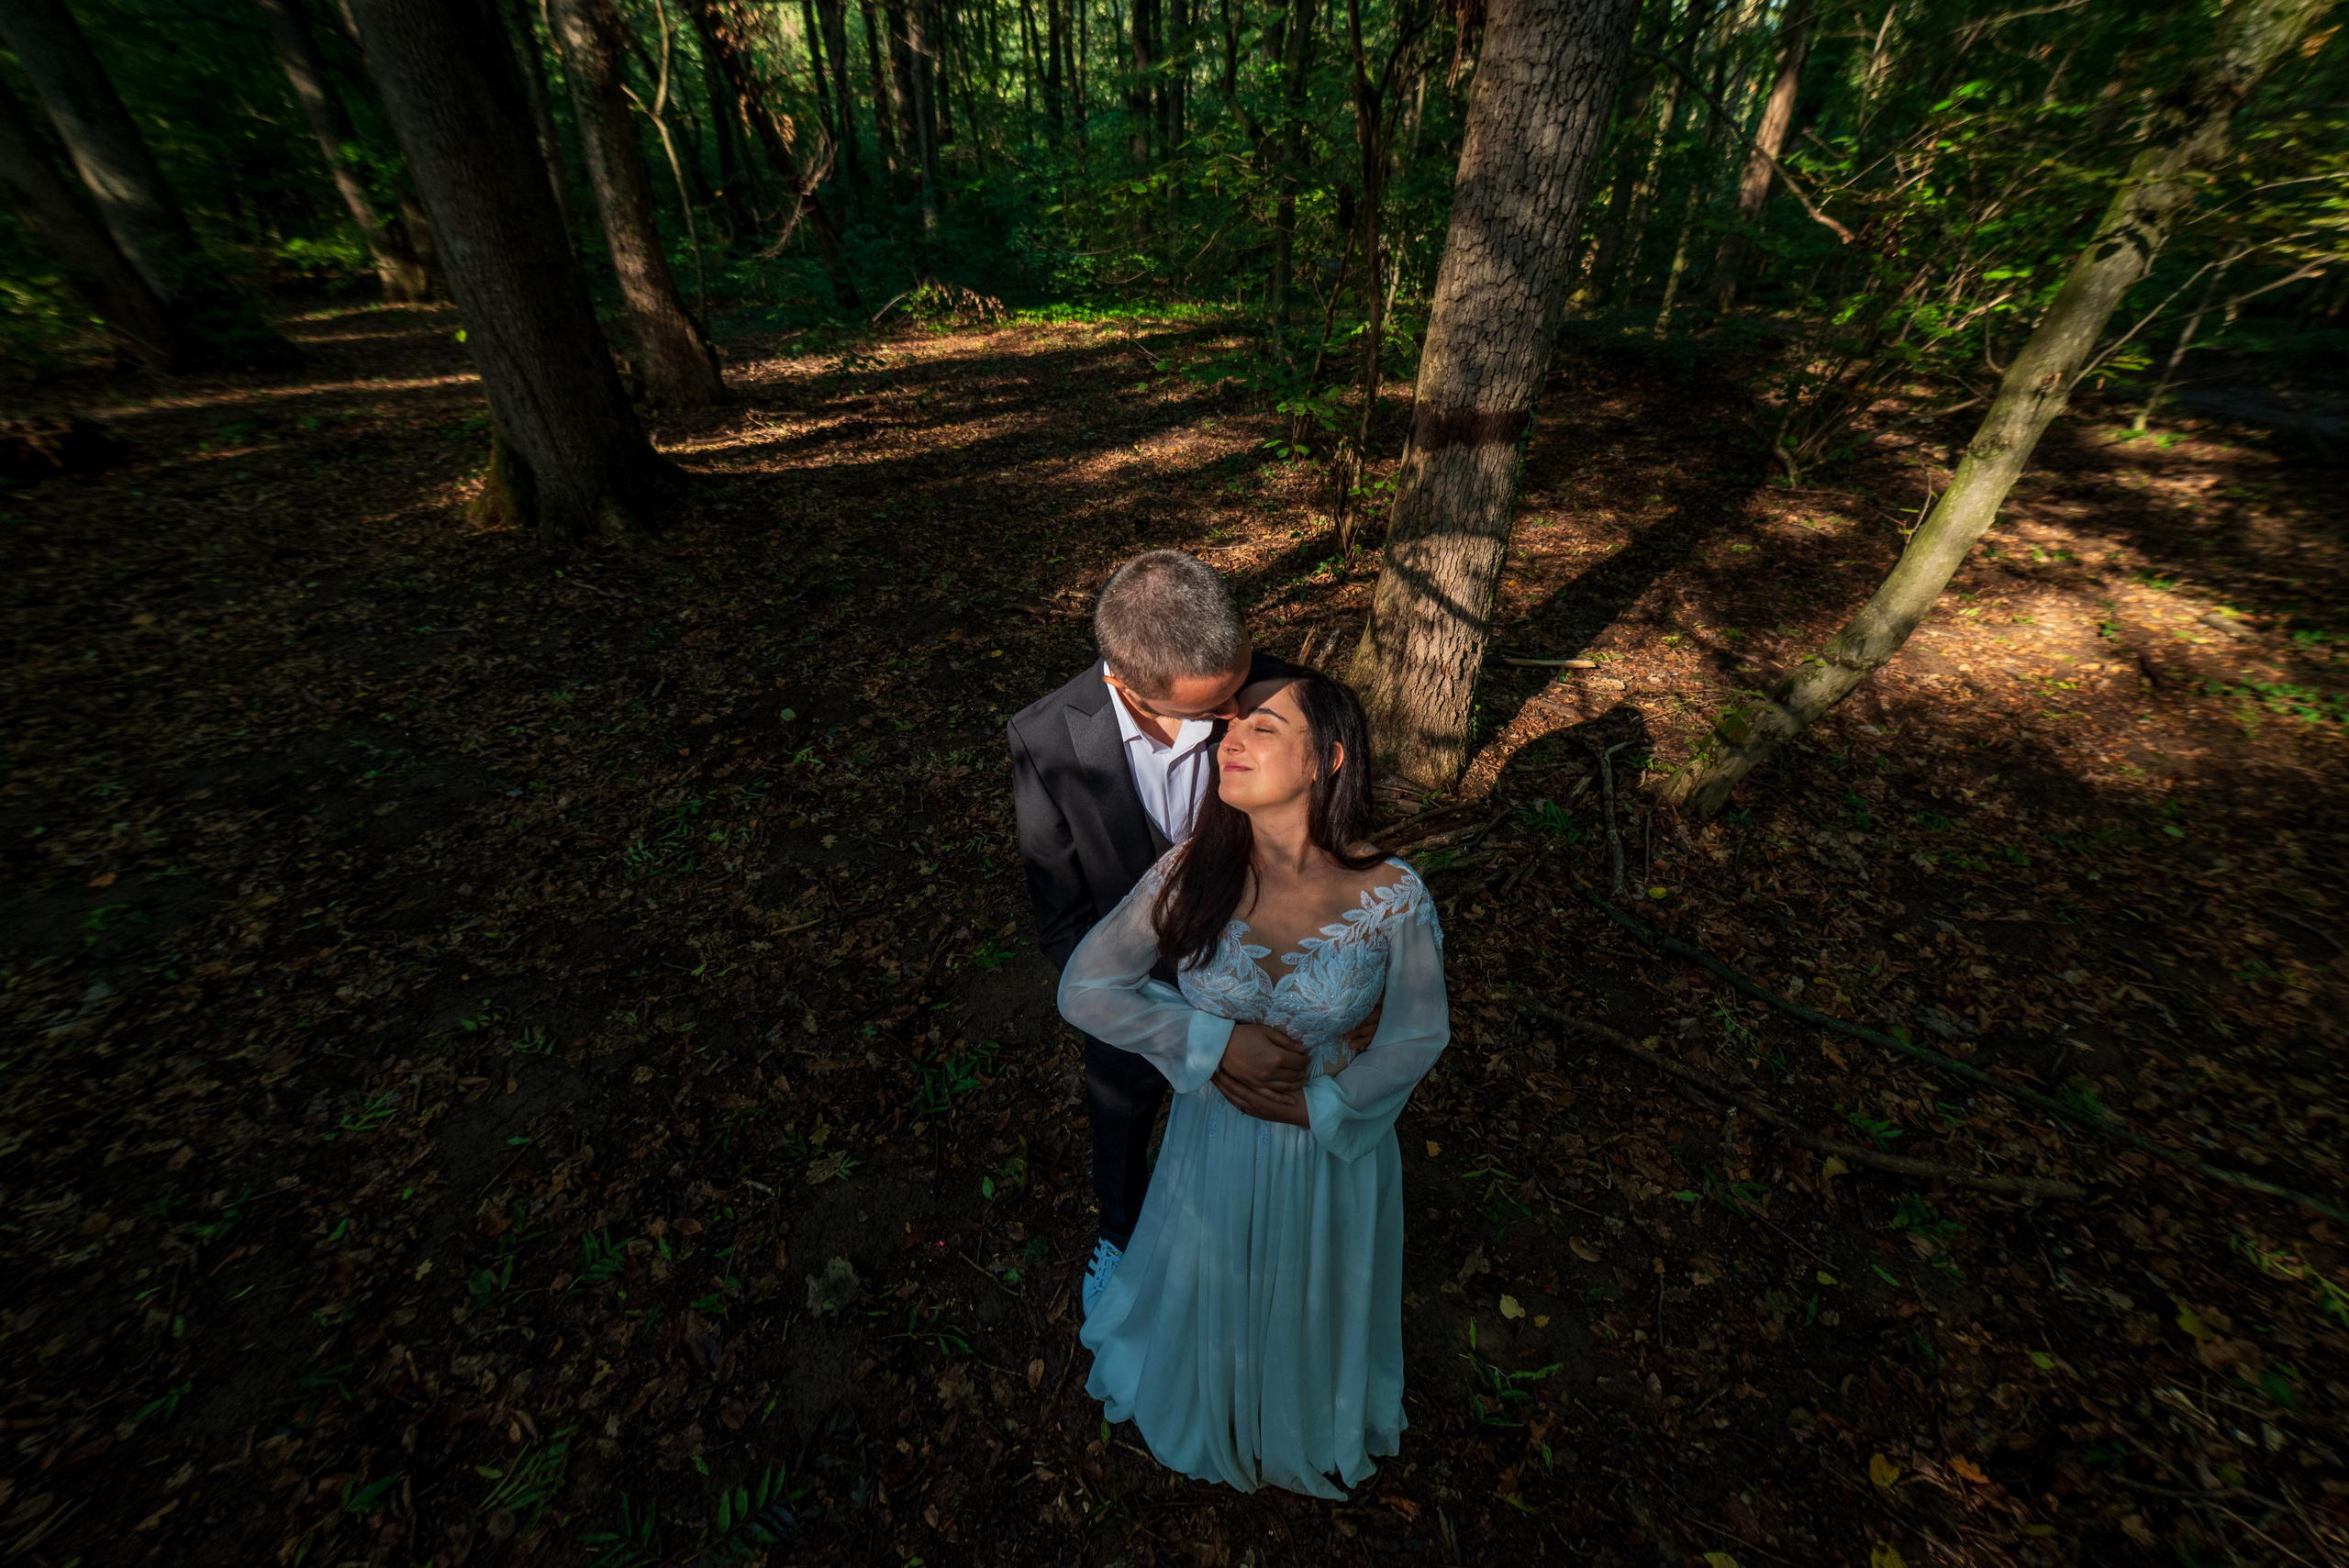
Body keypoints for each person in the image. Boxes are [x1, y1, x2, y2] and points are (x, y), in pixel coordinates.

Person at [1057, 669, 1451, 1498]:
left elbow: (1417, 1032)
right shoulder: (1187, 872)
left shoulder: (1393, 896)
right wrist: (1213, 1040)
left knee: (1305, 1300)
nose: (1229, 741)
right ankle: (1210, 1391)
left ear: (1327, 760)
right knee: (1215, 1276)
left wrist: (1326, 1102)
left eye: (1261, 729)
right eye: (1229, 728)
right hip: (1215, 1144)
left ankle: (1298, 1414)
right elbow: (1085, 987)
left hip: (1330, 1155)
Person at [1010, 550, 1341, 1315]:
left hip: (1263, 983)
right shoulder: (1046, 740)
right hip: (1136, 1002)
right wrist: (1147, 1018)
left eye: (1240, 686)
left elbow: (1326, 848)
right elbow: (1061, 916)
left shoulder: (1289, 694)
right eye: (1212, 707)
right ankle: (1120, 1231)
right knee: (1121, 1124)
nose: (1236, 715)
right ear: (1122, 685)